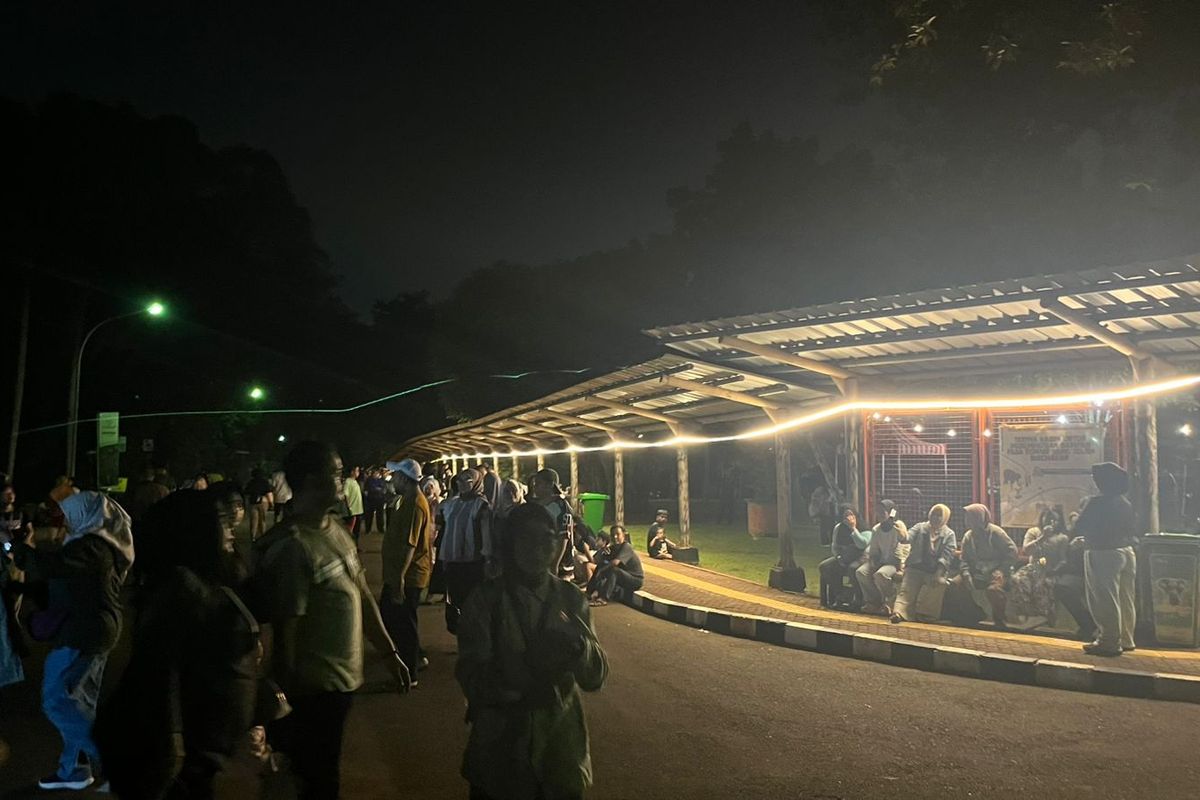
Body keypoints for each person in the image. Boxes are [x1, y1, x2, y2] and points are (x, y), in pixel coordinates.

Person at [252, 441, 411, 799]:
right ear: (310, 481)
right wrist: (283, 704)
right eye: (336, 473)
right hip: (311, 692)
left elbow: (363, 596)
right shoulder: (293, 546)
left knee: (324, 773)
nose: (343, 481)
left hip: (339, 687)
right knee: (315, 781)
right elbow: (284, 631)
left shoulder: (336, 530)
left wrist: (389, 652)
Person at [95, 489, 259, 798]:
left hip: (205, 753)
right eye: (222, 522)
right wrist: (172, 748)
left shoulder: (209, 581)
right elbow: (160, 674)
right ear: (196, 530)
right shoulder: (181, 588)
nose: (231, 531)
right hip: (186, 758)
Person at [457, 503, 608, 800]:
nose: (537, 549)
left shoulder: (571, 600)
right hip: (500, 760)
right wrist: (523, 679)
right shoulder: (485, 602)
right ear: (509, 543)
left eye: (546, 539)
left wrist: (579, 648)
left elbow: (596, 678)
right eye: (526, 539)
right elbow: (471, 677)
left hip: (561, 755)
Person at [13, 491, 134, 791]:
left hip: (84, 632)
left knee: (56, 701)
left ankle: (113, 763)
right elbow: (62, 578)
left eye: (71, 515)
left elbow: (50, 566)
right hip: (95, 629)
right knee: (81, 703)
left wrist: (19, 547)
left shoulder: (92, 547)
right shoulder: (98, 545)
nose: (66, 521)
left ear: (86, 515)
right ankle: (74, 768)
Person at [1074, 462, 1138, 656]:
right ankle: (1126, 639)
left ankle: (1108, 641)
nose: (1095, 482)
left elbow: (1078, 526)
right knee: (1126, 598)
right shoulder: (1124, 502)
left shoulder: (1096, 502)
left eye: (1097, 479)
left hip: (1102, 552)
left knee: (1105, 599)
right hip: (1126, 551)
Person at [381, 459, 434, 684]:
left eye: (395, 476)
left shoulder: (414, 504)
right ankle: (416, 657)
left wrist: (399, 578)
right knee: (398, 618)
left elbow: (409, 545)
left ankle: (410, 670)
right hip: (404, 574)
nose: (392, 479)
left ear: (404, 478)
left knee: (401, 621)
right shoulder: (407, 500)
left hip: (409, 576)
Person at [438, 468, 494, 635]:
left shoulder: (481, 505)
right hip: (452, 561)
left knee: (473, 604)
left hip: (472, 563)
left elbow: (486, 535)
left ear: (476, 483)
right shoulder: (451, 504)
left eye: (467, 481)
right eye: (459, 480)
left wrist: (488, 559)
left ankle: (475, 638)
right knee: (456, 602)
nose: (461, 484)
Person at [954, 504, 1019, 629]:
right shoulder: (968, 536)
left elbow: (1012, 552)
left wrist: (1001, 569)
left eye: (970, 517)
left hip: (997, 571)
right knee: (956, 584)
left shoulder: (996, 532)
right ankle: (974, 614)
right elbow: (964, 559)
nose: (967, 521)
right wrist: (966, 574)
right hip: (976, 572)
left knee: (994, 590)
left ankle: (1000, 621)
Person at [891, 504, 956, 624]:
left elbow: (947, 555)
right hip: (915, 568)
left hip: (934, 571)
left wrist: (938, 574)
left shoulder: (949, 534)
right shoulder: (920, 527)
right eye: (933, 514)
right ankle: (899, 613)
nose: (935, 517)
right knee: (906, 590)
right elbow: (908, 537)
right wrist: (902, 534)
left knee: (939, 585)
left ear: (945, 517)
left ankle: (926, 616)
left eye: (939, 515)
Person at [1009, 508, 1069, 622]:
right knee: (1017, 579)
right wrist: (1043, 537)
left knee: (1042, 585)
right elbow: (1026, 551)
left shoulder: (1062, 538)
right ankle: (1024, 612)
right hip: (1032, 568)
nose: (1051, 523)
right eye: (1047, 520)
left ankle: (1043, 616)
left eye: (1054, 520)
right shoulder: (1033, 532)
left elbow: (1063, 559)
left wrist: (1055, 570)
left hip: (1051, 570)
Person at [856, 499, 908, 615]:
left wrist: (901, 566)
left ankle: (890, 601)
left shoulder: (898, 526)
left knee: (880, 575)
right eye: (877, 511)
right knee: (861, 572)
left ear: (890, 512)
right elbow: (873, 550)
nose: (879, 514)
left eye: (882, 511)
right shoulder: (876, 529)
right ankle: (873, 601)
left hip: (894, 563)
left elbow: (904, 544)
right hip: (879, 560)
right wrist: (874, 561)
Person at [530, 468, 576, 582]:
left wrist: (555, 563)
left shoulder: (558, 506)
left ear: (549, 485)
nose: (535, 488)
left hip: (558, 564)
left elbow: (563, 536)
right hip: (542, 560)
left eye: (538, 484)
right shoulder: (538, 505)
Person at [818, 506, 868, 608]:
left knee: (852, 569)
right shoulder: (839, 528)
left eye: (851, 515)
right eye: (845, 516)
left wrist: (853, 528)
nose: (848, 518)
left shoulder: (864, 527)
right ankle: (839, 595)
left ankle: (857, 599)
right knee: (825, 566)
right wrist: (839, 557)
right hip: (844, 557)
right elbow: (835, 546)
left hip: (860, 558)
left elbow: (862, 544)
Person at [1052, 533, 1097, 641]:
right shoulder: (1068, 535)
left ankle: (1090, 624)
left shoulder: (1097, 530)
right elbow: (1064, 558)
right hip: (1076, 573)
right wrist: (1071, 547)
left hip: (1096, 570)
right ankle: (1087, 622)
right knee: (1062, 588)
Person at [587, 524, 644, 606]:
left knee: (613, 570)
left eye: (618, 534)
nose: (615, 537)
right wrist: (603, 551)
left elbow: (615, 563)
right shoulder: (613, 548)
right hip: (623, 576)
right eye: (613, 535)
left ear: (623, 535)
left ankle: (603, 599)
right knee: (601, 566)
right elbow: (597, 560)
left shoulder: (626, 547)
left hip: (635, 579)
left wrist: (602, 571)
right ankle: (589, 592)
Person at [244, 468, 274, 541]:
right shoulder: (265, 482)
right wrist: (271, 503)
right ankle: (263, 536)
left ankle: (253, 537)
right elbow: (269, 493)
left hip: (253, 502)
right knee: (262, 520)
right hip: (263, 501)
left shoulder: (250, 482)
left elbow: (246, 493)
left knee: (254, 520)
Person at [342, 465, 365, 543]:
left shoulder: (355, 481)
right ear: (352, 472)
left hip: (358, 510)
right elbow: (346, 495)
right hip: (352, 511)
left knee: (357, 531)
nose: (358, 473)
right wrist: (349, 507)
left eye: (358, 471)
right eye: (356, 470)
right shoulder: (348, 481)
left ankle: (356, 545)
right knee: (350, 530)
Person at [363, 468, 387, 534]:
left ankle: (380, 529)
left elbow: (384, 490)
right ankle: (368, 529)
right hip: (371, 500)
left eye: (377, 473)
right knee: (369, 516)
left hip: (380, 500)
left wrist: (377, 490)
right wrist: (376, 489)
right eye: (375, 473)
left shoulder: (382, 480)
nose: (376, 474)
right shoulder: (369, 480)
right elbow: (367, 489)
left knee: (380, 516)